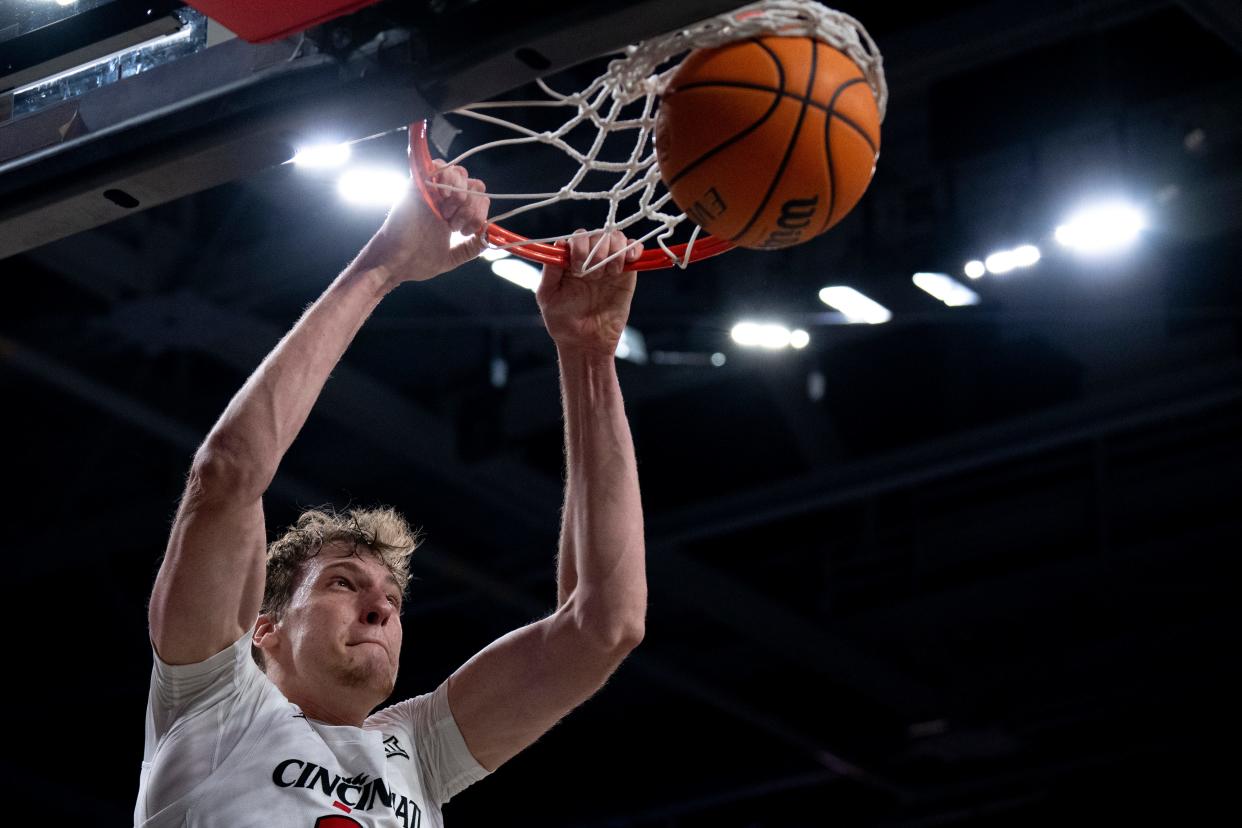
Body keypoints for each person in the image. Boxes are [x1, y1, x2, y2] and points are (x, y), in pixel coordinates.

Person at [135, 161, 647, 827]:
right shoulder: (214, 702)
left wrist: (589, 354)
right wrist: (382, 267)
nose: (379, 606)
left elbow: (603, 625)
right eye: (343, 583)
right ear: (267, 630)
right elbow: (228, 474)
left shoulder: (416, 751)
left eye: (393, 598)